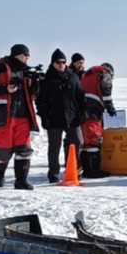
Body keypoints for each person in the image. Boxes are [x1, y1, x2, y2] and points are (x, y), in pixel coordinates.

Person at [0, 43, 39, 189]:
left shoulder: (26, 72)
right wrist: (5, 89)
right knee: (3, 149)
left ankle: (21, 181)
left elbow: (32, 94)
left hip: (23, 116)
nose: (27, 58)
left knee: (24, 149)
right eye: (24, 55)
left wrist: (36, 86)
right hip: (3, 116)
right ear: (16, 54)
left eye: (28, 56)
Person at [34, 49, 83, 183]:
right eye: (58, 62)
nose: (61, 64)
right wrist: (45, 117)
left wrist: (81, 114)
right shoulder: (46, 79)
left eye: (63, 62)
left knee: (76, 143)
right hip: (54, 118)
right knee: (54, 147)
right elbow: (40, 102)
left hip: (72, 117)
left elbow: (80, 97)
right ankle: (53, 173)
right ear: (53, 63)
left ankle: (73, 170)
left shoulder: (73, 77)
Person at [74, 54, 116, 178]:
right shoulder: (105, 73)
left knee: (86, 142)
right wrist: (110, 107)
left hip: (82, 110)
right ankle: (94, 171)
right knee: (94, 141)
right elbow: (106, 89)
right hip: (93, 110)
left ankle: (86, 169)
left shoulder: (88, 74)